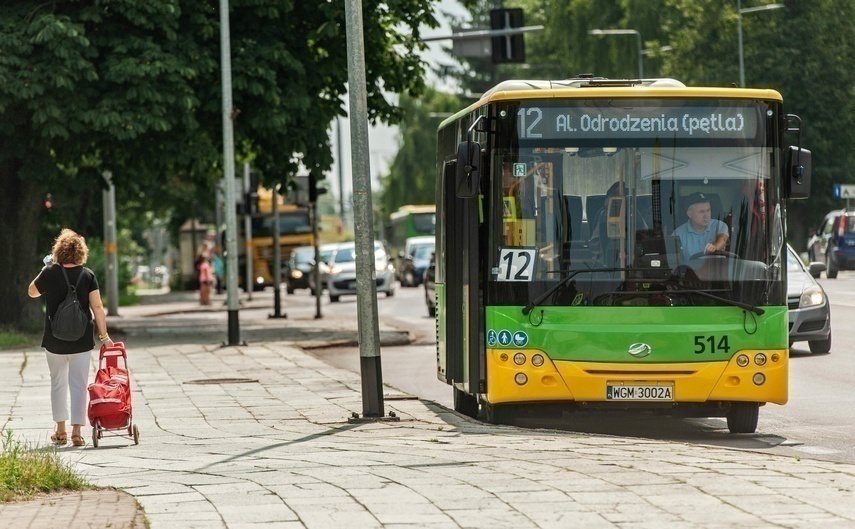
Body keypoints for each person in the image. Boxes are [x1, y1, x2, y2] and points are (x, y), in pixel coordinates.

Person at [27, 229, 113, 447]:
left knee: (57, 384)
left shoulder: (49, 272)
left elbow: (31, 292)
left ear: (59, 251)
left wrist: (45, 269)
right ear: (81, 252)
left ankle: (61, 431)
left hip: (54, 342)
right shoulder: (88, 275)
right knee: (79, 385)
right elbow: (98, 307)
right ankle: (77, 432)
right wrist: (104, 336)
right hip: (82, 341)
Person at [672, 192, 729, 260]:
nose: (706, 215)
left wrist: (715, 247)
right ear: (690, 214)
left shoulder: (719, 225)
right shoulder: (678, 234)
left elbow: (723, 239)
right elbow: (674, 261)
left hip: (716, 269)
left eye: (708, 210)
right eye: (701, 212)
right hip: (690, 270)